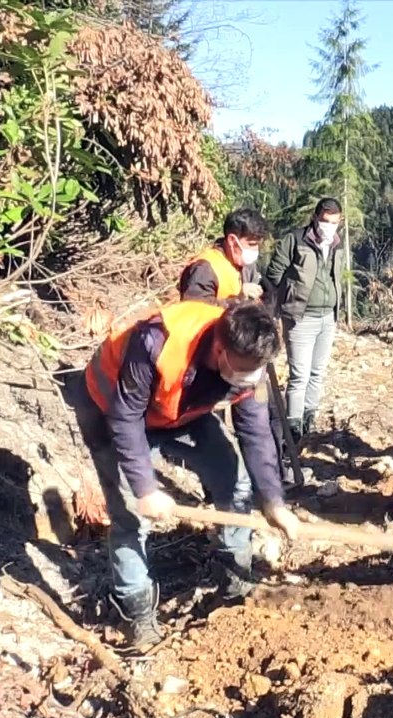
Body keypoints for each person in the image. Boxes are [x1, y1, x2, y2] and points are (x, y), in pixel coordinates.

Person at [77, 299, 302, 650]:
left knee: (235, 482)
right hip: (110, 408)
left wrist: (274, 502)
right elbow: (126, 417)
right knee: (129, 515)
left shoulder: (249, 365)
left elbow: (256, 432)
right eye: (245, 368)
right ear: (220, 349)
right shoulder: (157, 341)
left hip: (181, 410)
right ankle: (137, 614)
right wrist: (145, 488)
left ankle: (234, 580)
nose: (251, 376)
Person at [262, 198, 345, 442]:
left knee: (317, 372)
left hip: (328, 317)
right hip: (300, 317)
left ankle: (309, 417)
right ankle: (293, 425)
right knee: (299, 374)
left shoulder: (338, 245)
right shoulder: (295, 240)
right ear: (315, 218)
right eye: (325, 221)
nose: (329, 227)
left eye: (335, 222)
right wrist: (273, 307)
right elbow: (274, 274)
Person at [179, 208, 268, 302]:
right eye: (251, 244)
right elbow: (194, 311)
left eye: (258, 245)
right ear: (232, 241)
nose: (255, 250)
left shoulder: (244, 265)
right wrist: (237, 300)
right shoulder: (205, 268)